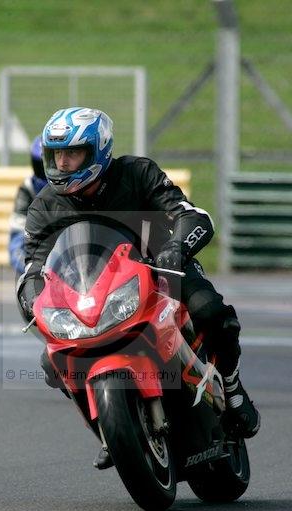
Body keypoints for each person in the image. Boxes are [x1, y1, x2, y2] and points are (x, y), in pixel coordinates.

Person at [17, 107, 260, 469]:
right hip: (95, 293)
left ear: (98, 150)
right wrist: (31, 297)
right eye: (56, 155)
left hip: (162, 269)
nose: (62, 163)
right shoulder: (44, 207)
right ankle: (110, 429)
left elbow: (192, 215)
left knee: (210, 312)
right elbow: (34, 266)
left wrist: (175, 248)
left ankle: (232, 384)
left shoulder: (137, 173)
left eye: (73, 153)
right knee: (52, 361)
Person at [8, 135, 47, 276]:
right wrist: (30, 269)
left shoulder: (76, 187)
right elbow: (16, 240)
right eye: (41, 166)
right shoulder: (28, 188)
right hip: (38, 264)